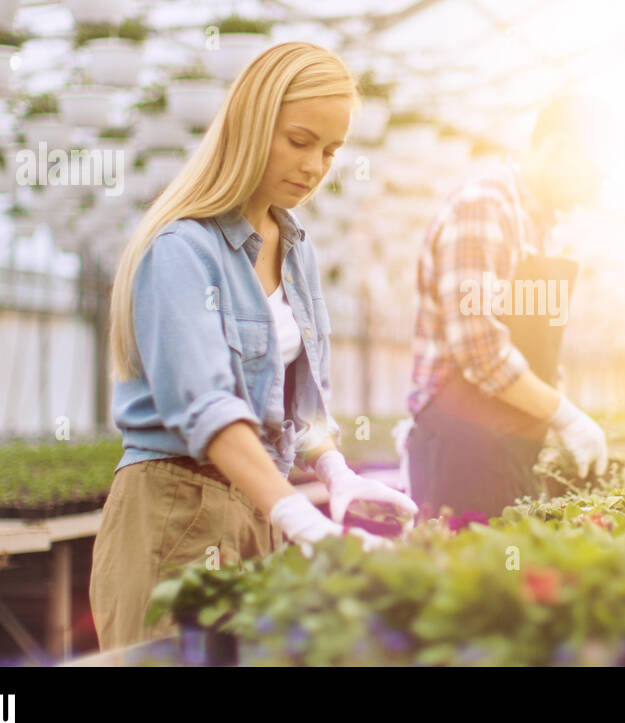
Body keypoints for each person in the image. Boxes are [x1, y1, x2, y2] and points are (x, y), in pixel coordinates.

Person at [93, 42, 417, 650]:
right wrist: (296, 514)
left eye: (330, 149)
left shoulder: (296, 248)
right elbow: (208, 411)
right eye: (299, 140)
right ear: (250, 125)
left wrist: (333, 470)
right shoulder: (182, 252)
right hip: (176, 507)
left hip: (257, 508)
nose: (316, 165)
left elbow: (299, 403)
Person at [400, 91, 616, 520]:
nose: (594, 192)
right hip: (463, 446)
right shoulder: (484, 207)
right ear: (557, 149)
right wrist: (566, 417)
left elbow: (537, 349)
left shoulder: (539, 226)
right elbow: (481, 350)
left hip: (507, 445)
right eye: (592, 175)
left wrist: (551, 423)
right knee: (466, 578)